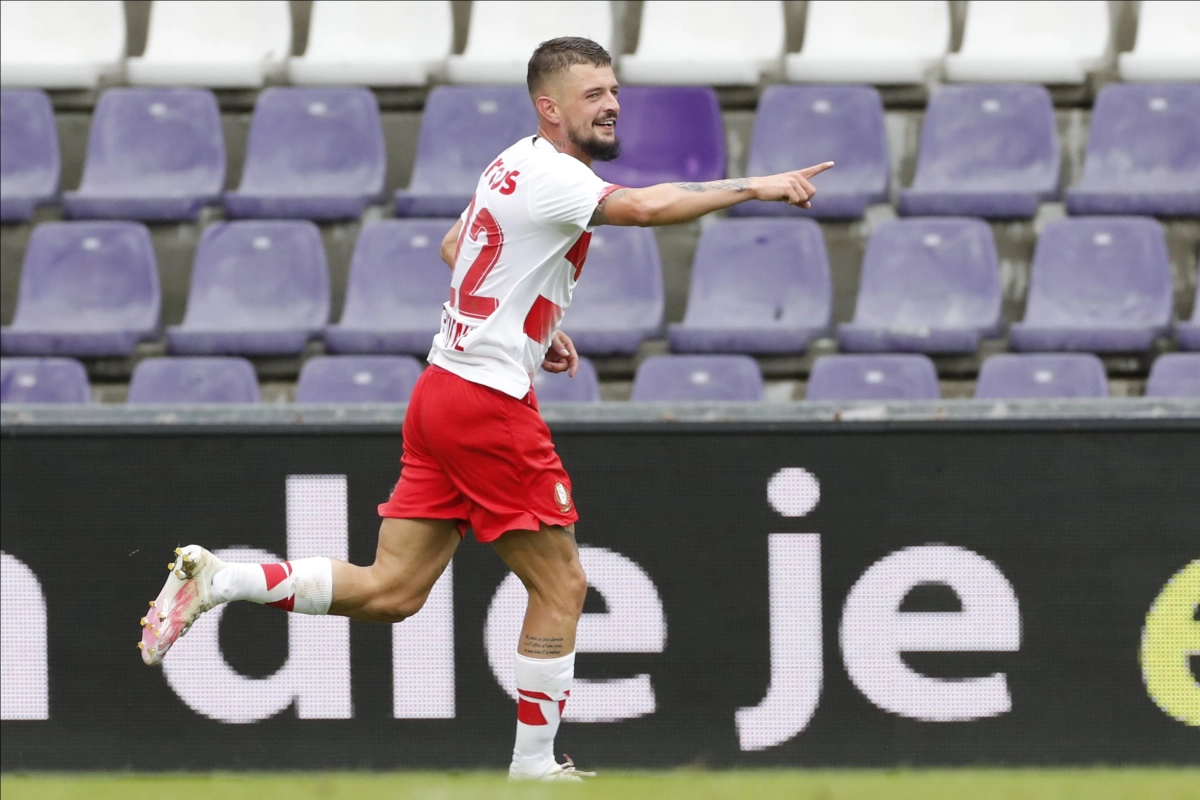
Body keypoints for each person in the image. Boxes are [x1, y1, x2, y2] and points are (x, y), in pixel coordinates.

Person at [138, 36, 833, 781]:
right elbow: (644, 205)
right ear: (550, 106)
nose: (610, 105)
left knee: (393, 591)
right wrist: (758, 186)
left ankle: (220, 580)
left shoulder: (512, 160)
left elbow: (453, 246)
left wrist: (537, 321)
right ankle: (534, 767)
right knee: (562, 585)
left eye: (612, 91)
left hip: (441, 388)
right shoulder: (561, 178)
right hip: (487, 404)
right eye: (592, 94)